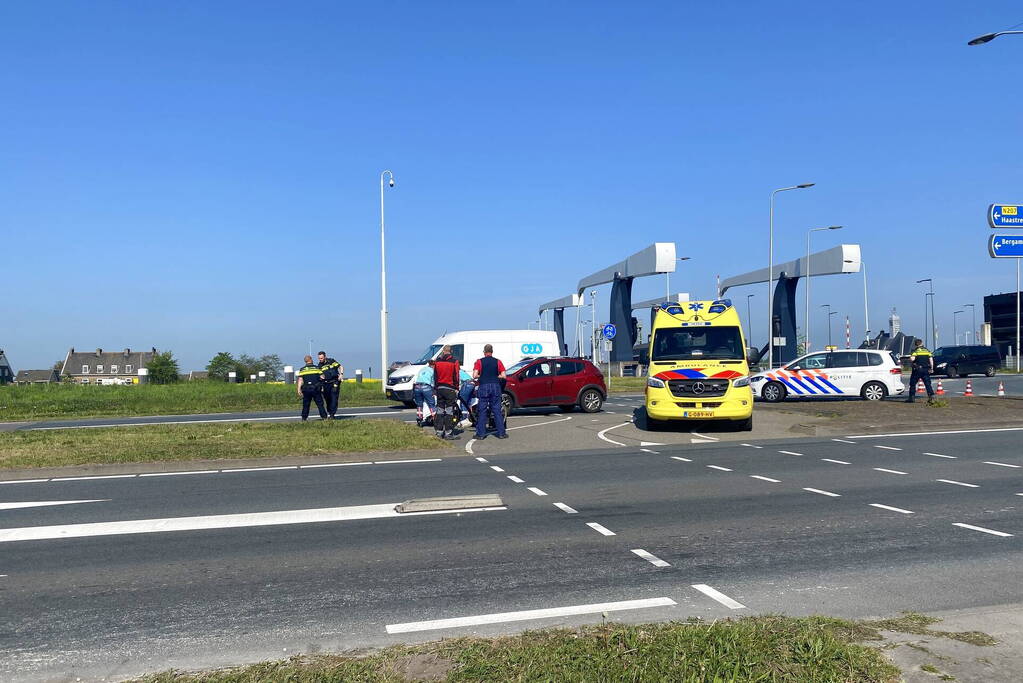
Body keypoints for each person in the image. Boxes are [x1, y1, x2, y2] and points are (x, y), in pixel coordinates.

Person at [472, 343, 508, 439]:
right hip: (495, 386)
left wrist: (482, 376)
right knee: (496, 410)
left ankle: (481, 434)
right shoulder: (498, 361)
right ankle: (501, 433)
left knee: (482, 410)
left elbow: (474, 375)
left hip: (484, 386)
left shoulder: (479, 362)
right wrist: (496, 376)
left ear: (484, 352)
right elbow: (504, 376)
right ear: (492, 352)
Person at [432, 346, 461, 440]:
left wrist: (436, 387)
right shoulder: (454, 361)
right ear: (451, 351)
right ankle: (448, 432)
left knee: (440, 410)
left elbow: (435, 375)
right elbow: (456, 376)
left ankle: (439, 432)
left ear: (443, 351)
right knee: (449, 410)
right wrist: (456, 387)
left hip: (440, 387)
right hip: (450, 388)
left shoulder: (438, 361)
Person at [296, 355, 328, 420]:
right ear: (310, 360)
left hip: (306, 389)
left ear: (305, 361)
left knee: (306, 404)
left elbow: (300, 380)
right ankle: (324, 417)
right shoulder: (316, 368)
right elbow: (323, 377)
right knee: (320, 404)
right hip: (316, 389)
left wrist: (298, 389)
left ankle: (304, 418)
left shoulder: (302, 369)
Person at [907, 338, 935, 403]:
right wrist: (932, 368)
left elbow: (912, 359)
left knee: (913, 384)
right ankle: (931, 397)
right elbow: (931, 360)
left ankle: (912, 398)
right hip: (925, 369)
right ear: (922, 343)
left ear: (915, 344)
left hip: (917, 370)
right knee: (928, 384)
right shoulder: (927, 350)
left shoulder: (915, 351)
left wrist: (910, 358)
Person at [317, 351, 343, 418]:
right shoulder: (319, 366)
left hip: (334, 381)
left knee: (334, 397)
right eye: (319, 358)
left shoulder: (331, 361)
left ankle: (332, 414)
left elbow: (340, 367)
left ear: (325, 357)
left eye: (321, 358)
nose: (320, 360)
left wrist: (341, 374)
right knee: (327, 398)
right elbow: (319, 377)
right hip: (325, 384)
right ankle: (330, 411)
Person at [413, 360, 437, 427]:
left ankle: (419, 419)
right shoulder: (432, 371)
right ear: (434, 365)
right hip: (426, 387)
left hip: (417, 387)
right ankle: (435, 419)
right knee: (431, 404)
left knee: (419, 404)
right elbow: (433, 382)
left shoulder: (422, 369)